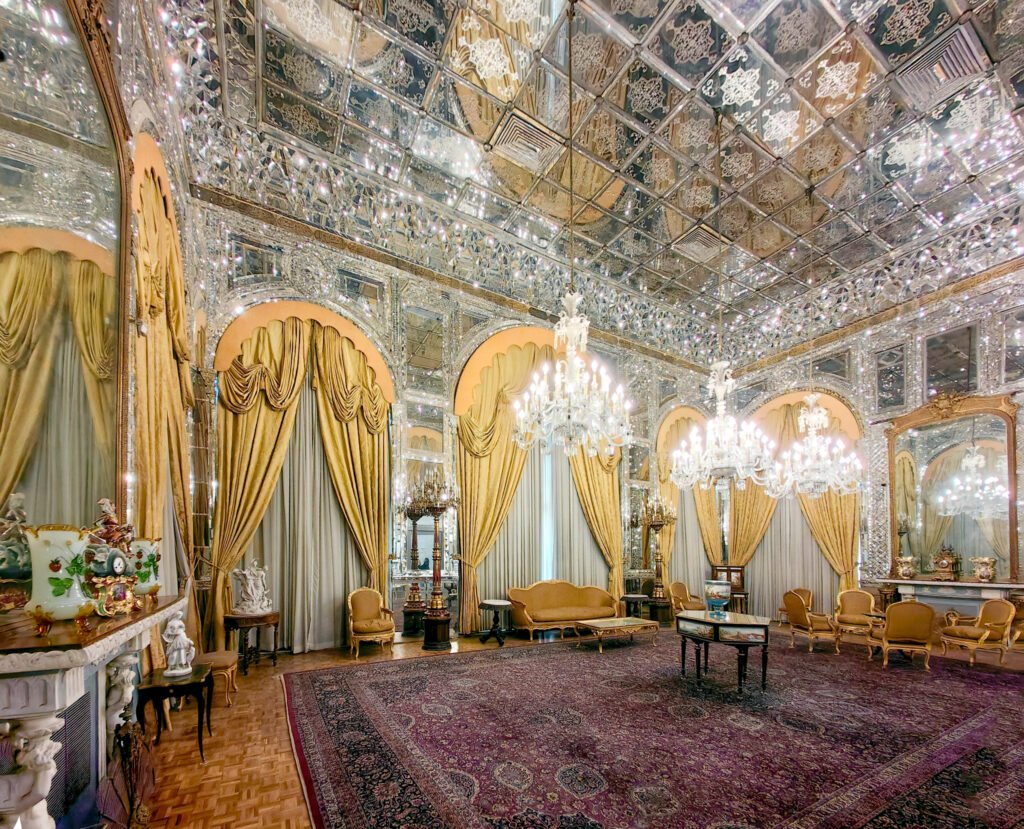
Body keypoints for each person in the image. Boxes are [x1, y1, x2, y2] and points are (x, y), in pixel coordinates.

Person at [162, 612, 195, 676]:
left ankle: (180, 665)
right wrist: (175, 632)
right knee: (174, 653)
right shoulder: (170, 623)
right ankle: (171, 666)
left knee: (182, 652)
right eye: (179, 615)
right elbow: (167, 632)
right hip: (176, 638)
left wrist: (180, 629)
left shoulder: (180, 622)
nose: (180, 616)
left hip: (182, 637)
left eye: (181, 615)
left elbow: (183, 629)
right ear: (175, 615)